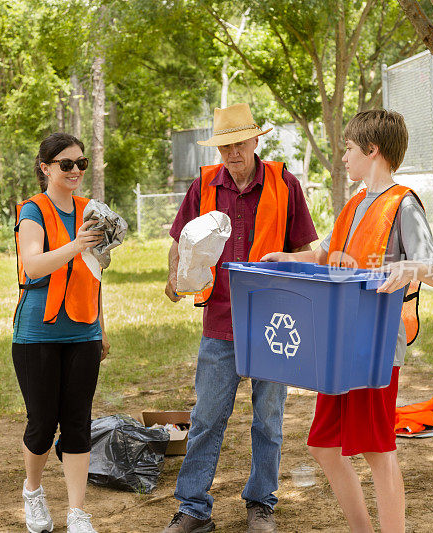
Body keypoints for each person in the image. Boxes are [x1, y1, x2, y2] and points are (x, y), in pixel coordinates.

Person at [261, 109, 433, 532]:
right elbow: (325, 252)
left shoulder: (403, 205)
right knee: (324, 445)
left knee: (378, 452)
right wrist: (288, 258)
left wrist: (411, 269)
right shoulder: (354, 204)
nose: (343, 157)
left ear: (372, 149)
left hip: (376, 348)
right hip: (340, 343)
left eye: (348, 148)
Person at [162, 103, 318, 533]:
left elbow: (305, 249)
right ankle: (193, 509)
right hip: (221, 319)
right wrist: (174, 274)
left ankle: (261, 503)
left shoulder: (286, 184)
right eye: (224, 146)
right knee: (208, 416)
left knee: (268, 420)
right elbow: (181, 237)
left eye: (238, 144)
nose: (232, 153)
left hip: (274, 323)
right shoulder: (204, 185)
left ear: (255, 140)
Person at [12, 132, 110, 533]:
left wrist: (102, 328)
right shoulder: (32, 211)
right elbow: (32, 266)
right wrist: (76, 244)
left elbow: (96, 274)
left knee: (77, 422)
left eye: (81, 164)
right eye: (66, 164)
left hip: (84, 331)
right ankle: (33, 491)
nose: (75, 171)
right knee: (41, 423)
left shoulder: (93, 210)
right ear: (45, 167)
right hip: (38, 333)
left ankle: (76, 512)